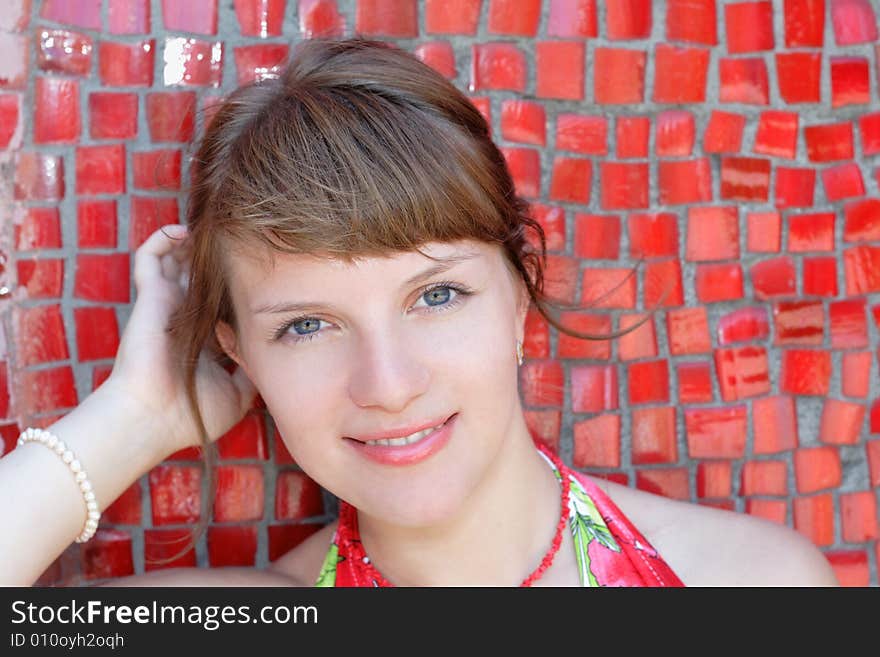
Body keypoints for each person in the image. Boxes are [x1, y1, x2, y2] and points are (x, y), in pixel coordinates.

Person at [1, 37, 837, 587]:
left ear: (520, 296)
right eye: (306, 324)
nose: (390, 383)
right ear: (240, 355)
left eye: (436, 295)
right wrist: (134, 416)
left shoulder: (754, 583)